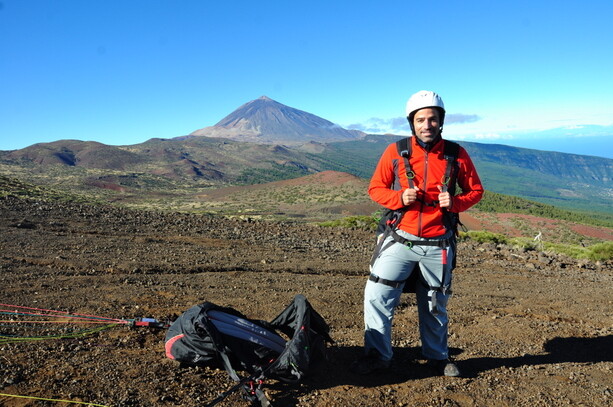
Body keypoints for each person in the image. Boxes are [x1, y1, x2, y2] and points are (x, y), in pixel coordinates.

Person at [354, 90, 484, 377]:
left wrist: (456, 202)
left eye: (433, 119)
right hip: (400, 238)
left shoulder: (455, 153)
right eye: (421, 119)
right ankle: (378, 355)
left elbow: (476, 190)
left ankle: (437, 357)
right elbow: (376, 188)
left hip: (438, 242)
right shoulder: (396, 151)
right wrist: (400, 198)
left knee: (435, 302)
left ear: (441, 122)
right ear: (412, 122)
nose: (427, 125)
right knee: (377, 295)